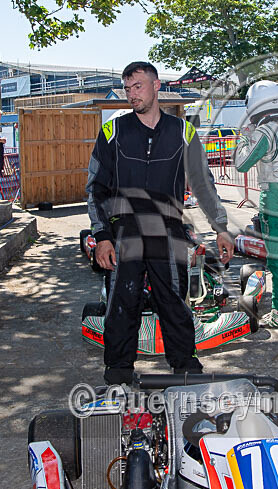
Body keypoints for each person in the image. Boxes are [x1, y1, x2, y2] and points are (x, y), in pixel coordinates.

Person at [86, 61, 235, 385]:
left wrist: (221, 227)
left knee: (174, 303)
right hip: (125, 231)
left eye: (137, 86)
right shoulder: (114, 131)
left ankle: (185, 370)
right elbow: (96, 188)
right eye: (127, 89)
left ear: (156, 87)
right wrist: (102, 236)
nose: (131, 94)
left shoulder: (183, 132)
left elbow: (203, 185)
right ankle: (118, 375)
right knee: (122, 303)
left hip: (168, 232)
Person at [234, 81, 278, 328]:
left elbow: (242, 163)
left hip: (274, 195)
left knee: (277, 255)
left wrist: (243, 138)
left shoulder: (265, 132)